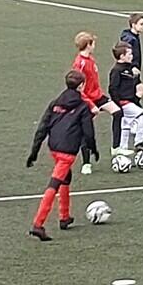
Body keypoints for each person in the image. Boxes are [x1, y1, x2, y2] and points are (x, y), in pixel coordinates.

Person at [26, 70, 100, 241]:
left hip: (54, 149)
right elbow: (88, 132)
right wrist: (93, 149)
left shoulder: (55, 103)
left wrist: (34, 152)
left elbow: (42, 128)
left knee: (66, 178)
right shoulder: (82, 106)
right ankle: (38, 224)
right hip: (67, 152)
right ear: (81, 86)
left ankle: (64, 216)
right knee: (53, 185)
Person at [107, 42, 143, 153]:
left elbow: (132, 84)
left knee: (125, 124)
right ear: (122, 56)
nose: (132, 56)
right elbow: (112, 88)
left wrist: (136, 77)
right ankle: (138, 142)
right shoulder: (116, 70)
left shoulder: (129, 68)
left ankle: (123, 147)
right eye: (129, 54)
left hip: (129, 101)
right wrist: (117, 104)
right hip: (123, 102)